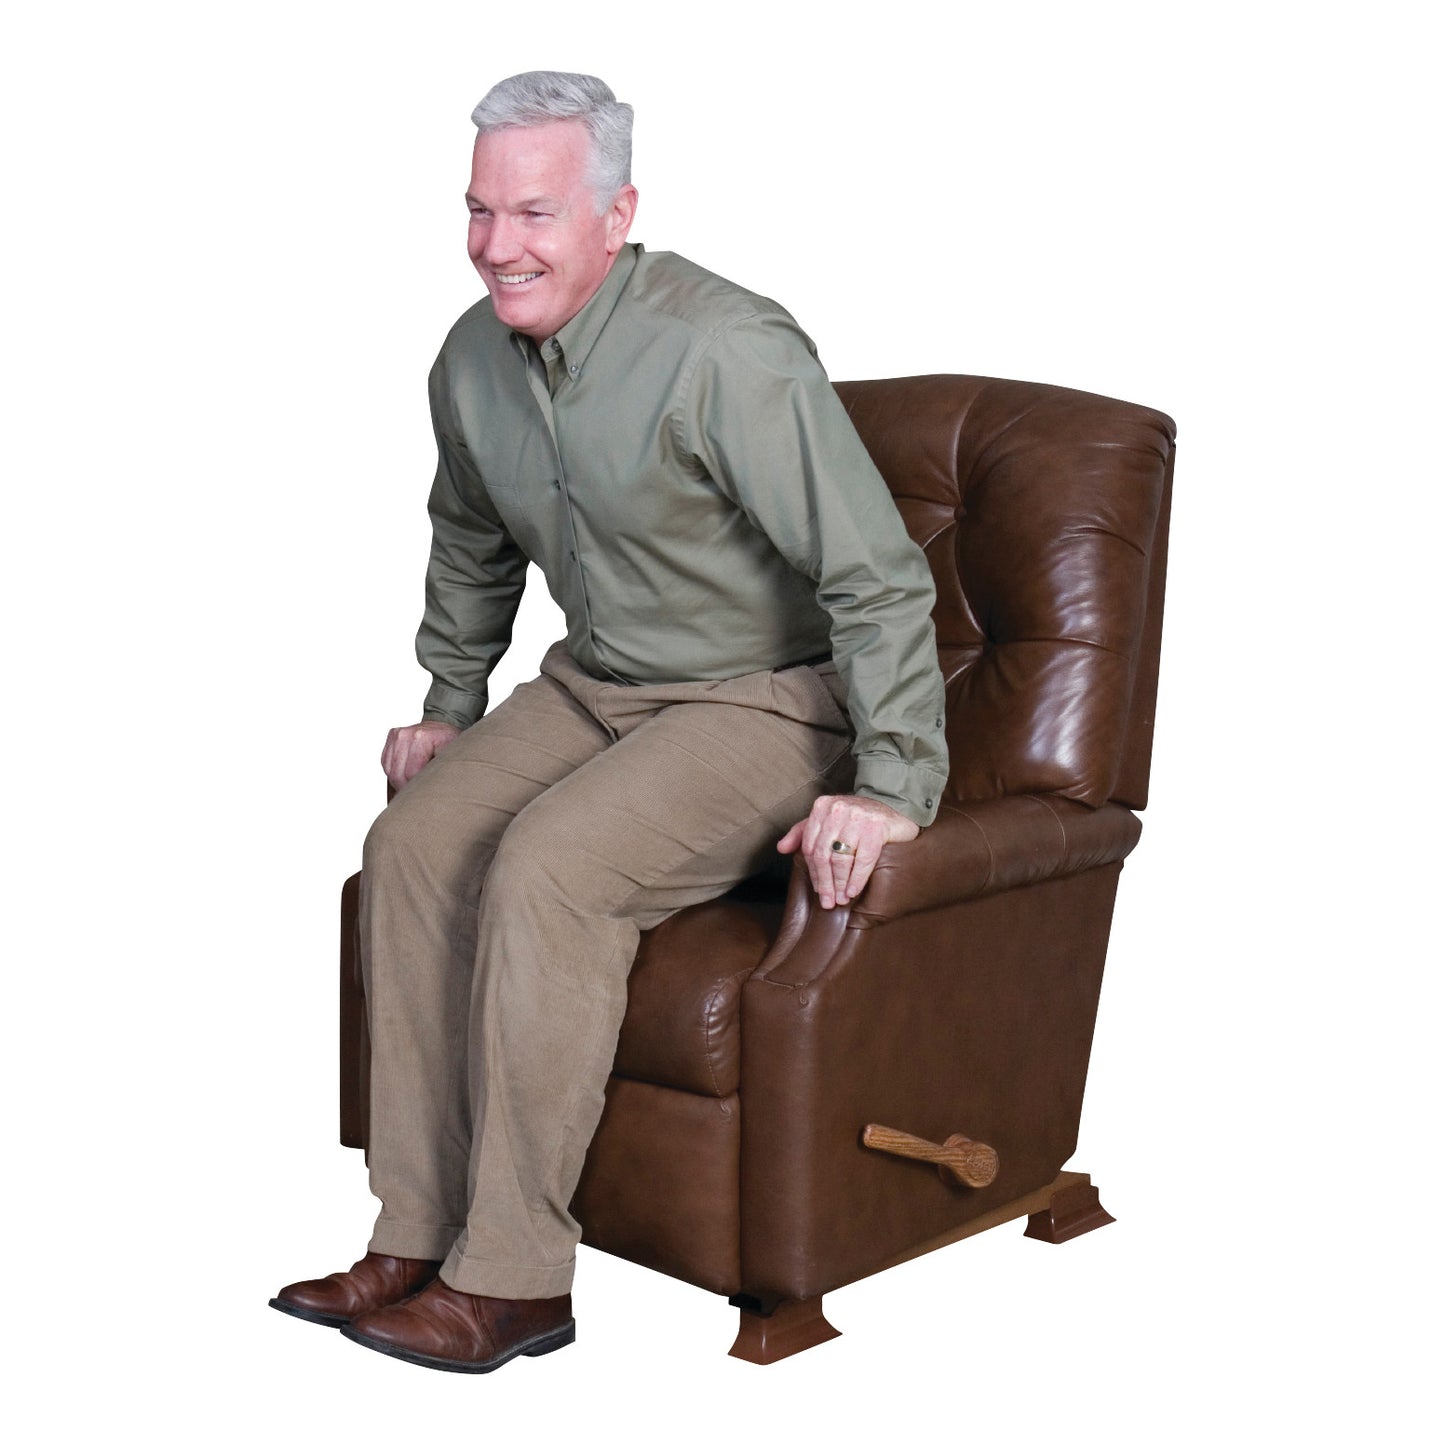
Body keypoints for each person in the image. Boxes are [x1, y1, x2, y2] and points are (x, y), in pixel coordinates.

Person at [270, 70, 948, 1373]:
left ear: (614, 212)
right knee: (410, 842)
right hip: (598, 683)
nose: (494, 246)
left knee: (551, 867)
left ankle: (515, 1280)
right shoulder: (469, 359)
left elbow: (876, 574)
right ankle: (411, 1230)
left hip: (764, 695)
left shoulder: (725, 350)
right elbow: (468, 546)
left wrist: (894, 778)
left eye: (530, 212)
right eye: (476, 211)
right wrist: (447, 706)